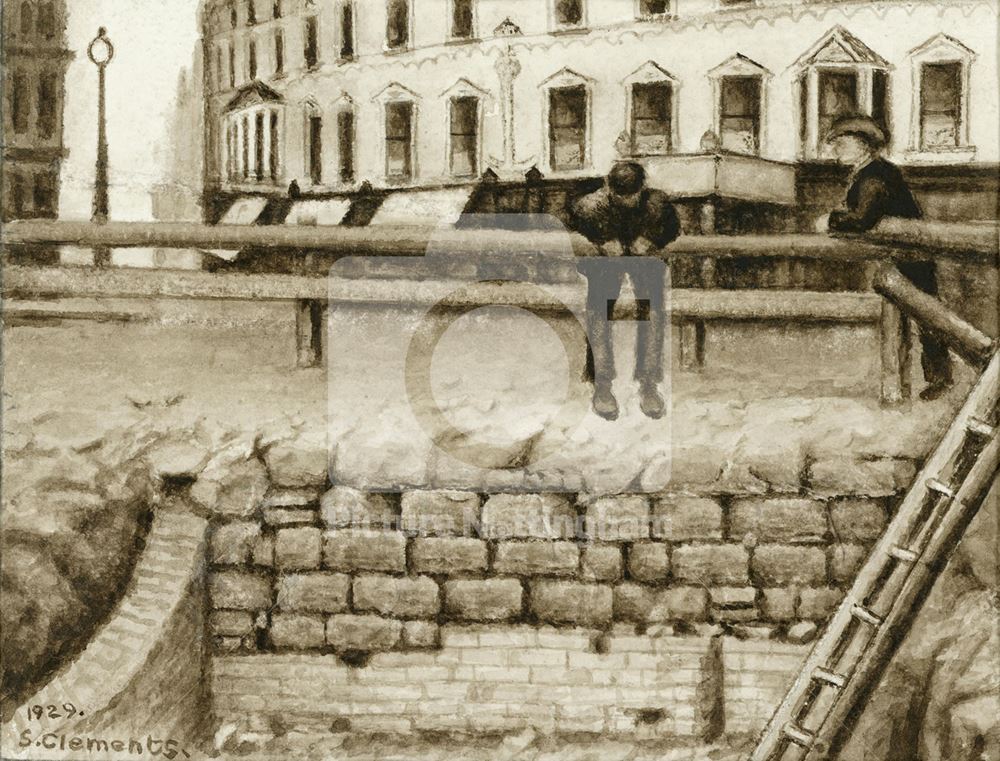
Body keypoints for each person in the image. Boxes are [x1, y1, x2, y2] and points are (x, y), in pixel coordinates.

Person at [822, 114, 953, 401]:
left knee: (926, 314)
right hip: (902, 253)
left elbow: (862, 219)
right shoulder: (869, 172)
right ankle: (933, 378)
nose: (836, 149)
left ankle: (939, 378)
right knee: (917, 314)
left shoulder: (876, 176)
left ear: (862, 145)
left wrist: (830, 221)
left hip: (909, 254)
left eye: (841, 143)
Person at [570, 161, 681, 420]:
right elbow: (570, 230)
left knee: (653, 309)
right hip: (606, 264)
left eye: (631, 196)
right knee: (598, 309)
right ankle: (602, 385)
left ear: (642, 189)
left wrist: (653, 239)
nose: (626, 202)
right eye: (620, 196)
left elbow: (673, 228)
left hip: (644, 263)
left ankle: (649, 384)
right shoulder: (590, 205)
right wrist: (599, 242)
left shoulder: (657, 203)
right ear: (610, 190)